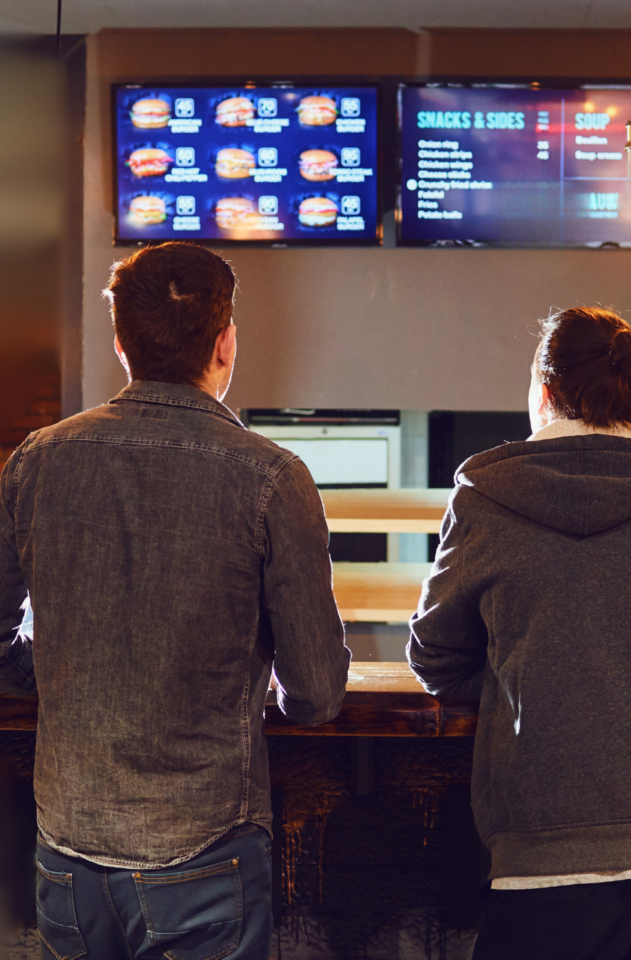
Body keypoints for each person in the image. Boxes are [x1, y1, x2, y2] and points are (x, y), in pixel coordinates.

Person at [0, 241, 350, 959]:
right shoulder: (272, 477)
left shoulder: (37, 458)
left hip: (67, 850)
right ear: (225, 342)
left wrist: (51, 673)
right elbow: (316, 692)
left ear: (122, 344)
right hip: (205, 847)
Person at [408, 307, 631, 960]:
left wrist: (527, 675)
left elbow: (434, 657)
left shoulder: (486, 493)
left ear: (543, 394)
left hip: (549, 850)